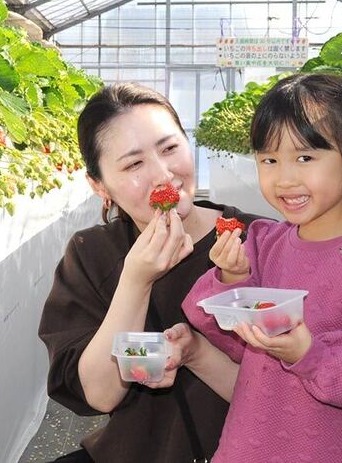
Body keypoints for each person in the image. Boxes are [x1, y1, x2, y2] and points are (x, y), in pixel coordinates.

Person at [182, 73, 342, 462]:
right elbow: (229, 340)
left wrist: (309, 353)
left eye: (305, 157)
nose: (284, 178)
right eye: (269, 159)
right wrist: (233, 278)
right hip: (248, 447)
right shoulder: (264, 244)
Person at [38, 82, 264, 463]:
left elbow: (288, 392)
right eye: (133, 164)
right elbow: (99, 393)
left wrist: (197, 351)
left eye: (170, 148)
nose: (163, 174)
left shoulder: (257, 239)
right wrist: (135, 280)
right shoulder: (92, 254)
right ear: (99, 185)